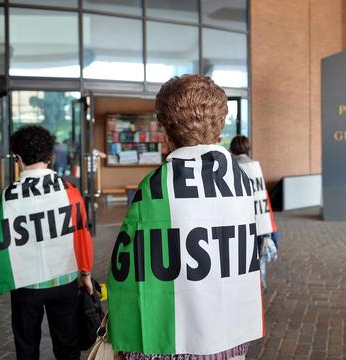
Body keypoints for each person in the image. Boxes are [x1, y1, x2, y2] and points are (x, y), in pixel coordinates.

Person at [107, 75, 263, 359]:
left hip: (170, 340)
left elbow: (129, 270)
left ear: (166, 131)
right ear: (219, 128)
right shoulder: (240, 180)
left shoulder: (154, 187)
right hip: (228, 336)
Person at [0, 125, 94, 360]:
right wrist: (85, 275)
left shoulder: (8, 195)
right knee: (67, 345)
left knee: (27, 346)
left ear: (17, 158)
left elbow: (3, 240)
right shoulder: (69, 190)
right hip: (64, 281)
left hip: (25, 284)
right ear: (50, 156)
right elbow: (82, 236)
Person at [230, 135, 278, 290]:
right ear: (247, 148)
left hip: (239, 219)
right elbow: (261, 194)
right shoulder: (255, 166)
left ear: (232, 148)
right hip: (259, 218)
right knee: (258, 257)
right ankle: (259, 284)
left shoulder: (231, 167)